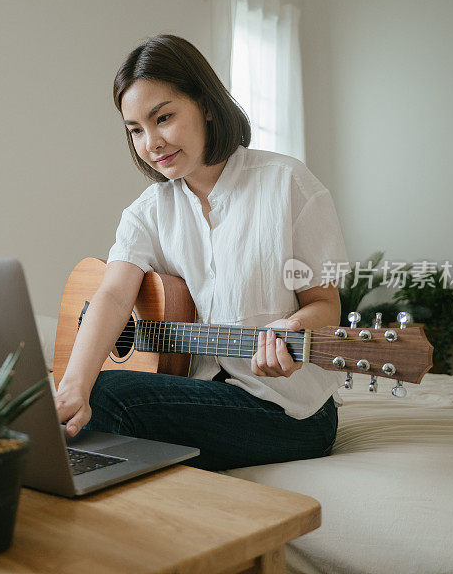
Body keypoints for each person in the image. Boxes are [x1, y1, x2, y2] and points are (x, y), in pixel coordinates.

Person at [54, 34, 348, 472]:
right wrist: (71, 387)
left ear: (206, 105)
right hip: (200, 394)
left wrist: (291, 328)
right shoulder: (148, 212)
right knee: (72, 397)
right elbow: (114, 296)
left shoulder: (287, 183)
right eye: (135, 130)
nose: (151, 142)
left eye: (163, 118)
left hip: (289, 409)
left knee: (109, 397)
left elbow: (326, 305)